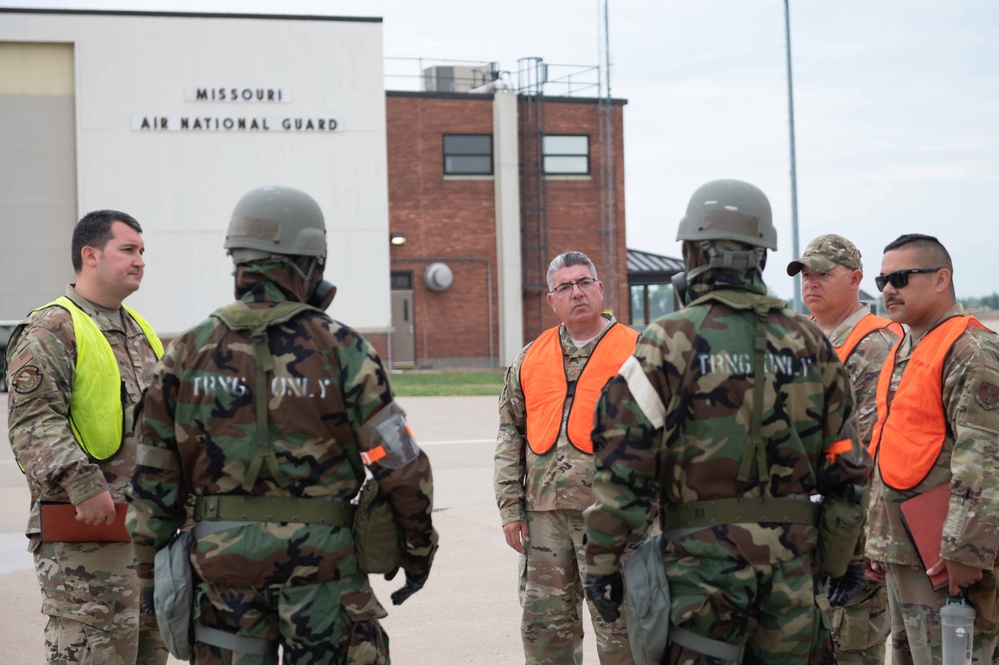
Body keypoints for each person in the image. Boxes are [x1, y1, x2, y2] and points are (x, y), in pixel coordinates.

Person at [125, 186, 438, 664]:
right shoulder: (343, 350)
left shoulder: (186, 352)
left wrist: (149, 576)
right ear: (312, 264)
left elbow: (154, 480)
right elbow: (398, 464)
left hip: (221, 574)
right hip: (323, 576)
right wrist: (416, 552)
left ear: (239, 262)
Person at [582, 179, 872, 664]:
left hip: (702, 590)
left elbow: (621, 470)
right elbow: (847, 470)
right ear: (762, 256)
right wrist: (849, 560)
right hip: (794, 588)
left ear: (693, 253)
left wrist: (602, 564)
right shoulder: (810, 344)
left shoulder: (667, 341)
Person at [5, 210, 168, 664]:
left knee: (149, 654)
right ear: (90, 255)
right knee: (94, 654)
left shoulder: (140, 332)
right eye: (128, 250)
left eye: (142, 252)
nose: (140, 261)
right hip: (86, 538)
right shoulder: (52, 328)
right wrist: (83, 483)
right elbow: (35, 422)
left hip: (145, 536)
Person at [494, 250, 640, 665]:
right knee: (545, 634)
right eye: (565, 287)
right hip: (544, 523)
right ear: (551, 299)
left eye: (584, 283)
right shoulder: (530, 358)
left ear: (600, 289)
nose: (576, 293)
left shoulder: (638, 352)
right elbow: (509, 435)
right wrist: (510, 509)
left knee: (623, 634)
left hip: (615, 521)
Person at [866, 233, 999, 665]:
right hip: (904, 551)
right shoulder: (907, 346)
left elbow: (983, 461)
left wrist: (965, 553)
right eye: (883, 278)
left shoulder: (971, 350)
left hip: (947, 561)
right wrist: (877, 540)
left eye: (901, 277)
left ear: (941, 279)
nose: (888, 289)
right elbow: (894, 449)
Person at [787, 233, 902, 665]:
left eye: (823, 273)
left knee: (850, 646)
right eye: (805, 274)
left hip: (852, 530)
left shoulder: (877, 345)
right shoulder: (801, 340)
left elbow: (870, 448)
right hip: (802, 529)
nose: (811, 283)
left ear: (855, 279)